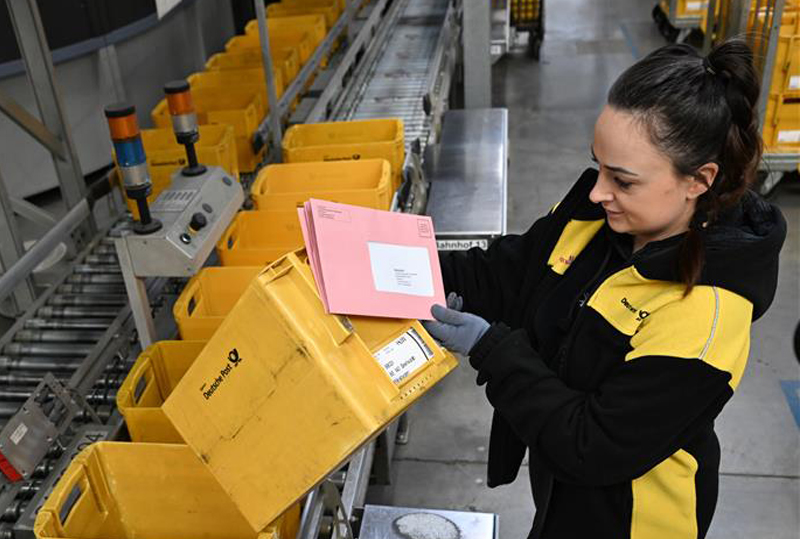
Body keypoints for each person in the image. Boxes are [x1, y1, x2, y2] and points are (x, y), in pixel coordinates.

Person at [422, 40, 787, 539]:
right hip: (562, 496)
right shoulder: (598, 218)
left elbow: (591, 446)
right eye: (598, 166)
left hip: (631, 521)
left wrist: (491, 348)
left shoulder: (705, 314)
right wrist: (399, 267)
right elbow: (507, 274)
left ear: (698, 181)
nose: (597, 191)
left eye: (623, 180)